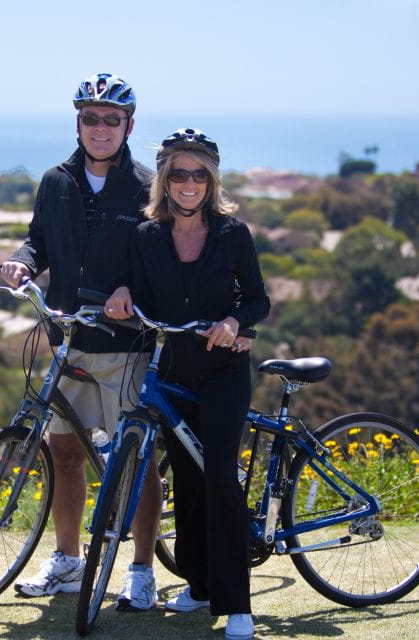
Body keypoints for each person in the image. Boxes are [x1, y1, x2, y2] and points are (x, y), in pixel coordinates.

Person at [0, 73, 163, 611]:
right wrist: (23, 263)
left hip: (126, 349)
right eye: (90, 117)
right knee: (64, 453)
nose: (100, 127)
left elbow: (161, 265)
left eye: (111, 119)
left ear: (128, 126)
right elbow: (39, 240)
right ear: (78, 122)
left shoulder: (146, 187)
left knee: (135, 463)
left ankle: (141, 570)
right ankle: (67, 562)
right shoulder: (55, 182)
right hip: (67, 343)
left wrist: (130, 289)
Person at [104, 128, 270, 637]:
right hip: (173, 371)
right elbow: (137, 286)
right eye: (179, 173)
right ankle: (199, 586)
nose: (190, 182)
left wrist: (236, 325)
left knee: (219, 475)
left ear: (212, 180)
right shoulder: (146, 235)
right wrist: (122, 293)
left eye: (199, 173)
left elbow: (257, 299)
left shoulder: (232, 234)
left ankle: (237, 603)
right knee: (188, 482)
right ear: (165, 180)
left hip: (223, 372)